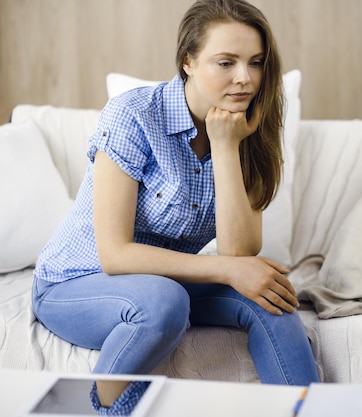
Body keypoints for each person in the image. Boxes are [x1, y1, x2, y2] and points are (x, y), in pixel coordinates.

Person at [31, 0, 320, 396]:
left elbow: (239, 253)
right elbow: (116, 255)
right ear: (188, 61)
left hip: (169, 279)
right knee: (162, 302)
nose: (245, 79)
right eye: (226, 63)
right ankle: (92, 408)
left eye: (255, 62)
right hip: (77, 281)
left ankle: (313, 408)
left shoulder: (246, 125)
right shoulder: (133, 115)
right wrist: (225, 270)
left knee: (272, 298)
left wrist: (224, 146)